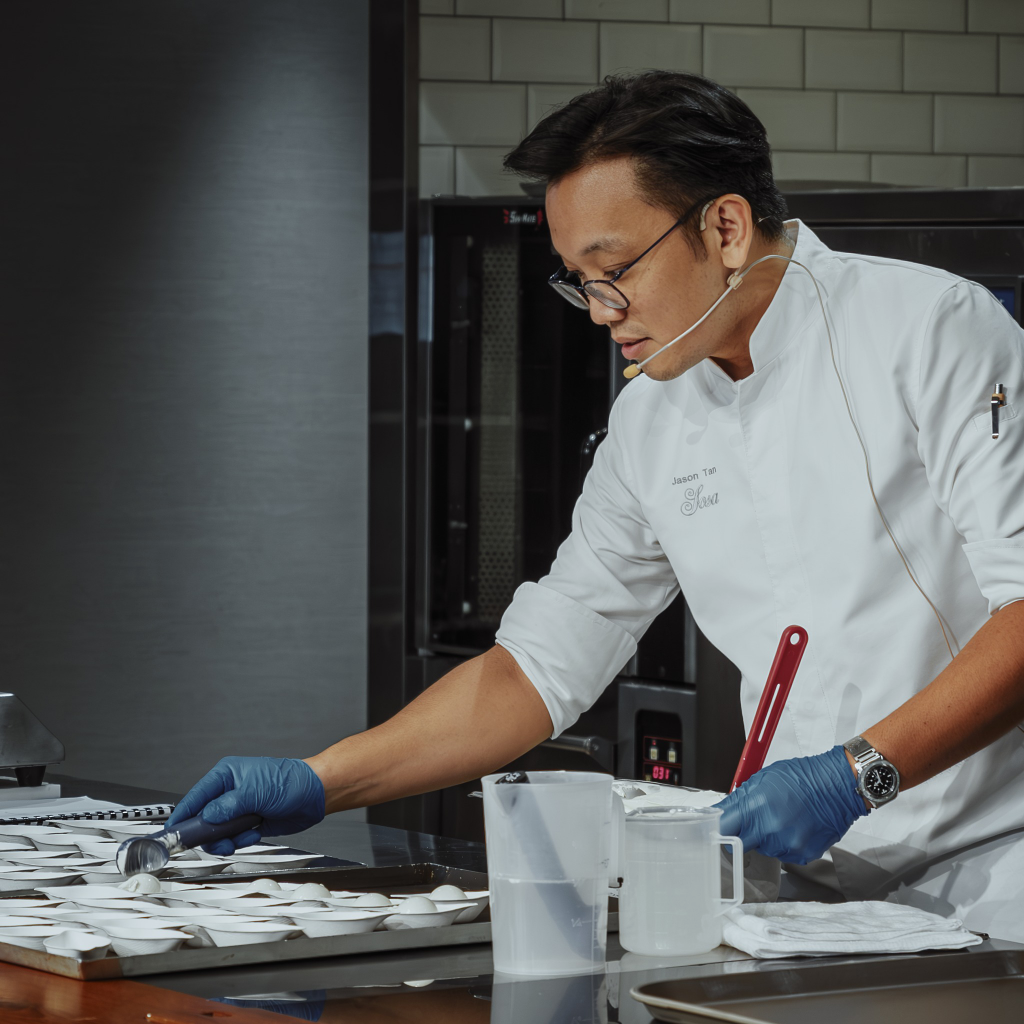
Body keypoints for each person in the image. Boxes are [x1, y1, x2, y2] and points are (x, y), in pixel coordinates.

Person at [169, 72, 1024, 940]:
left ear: (726, 229)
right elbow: (537, 667)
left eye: (614, 272)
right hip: (808, 888)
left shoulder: (930, 329)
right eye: (578, 280)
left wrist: (856, 775)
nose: (599, 311)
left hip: (995, 868)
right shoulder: (652, 416)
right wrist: (324, 780)